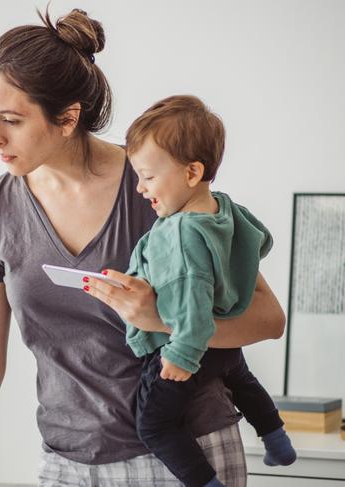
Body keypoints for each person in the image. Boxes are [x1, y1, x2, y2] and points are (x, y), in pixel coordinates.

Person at [0, 8, 285, 487]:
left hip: (183, 456)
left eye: (11, 120)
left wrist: (160, 319)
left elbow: (268, 319)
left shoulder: (156, 186)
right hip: (65, 463)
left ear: (68, 117)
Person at [103, 94, 296, 487]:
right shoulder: (224, 208)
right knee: (242, 380)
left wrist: (181, 354)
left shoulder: (177, 233)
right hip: (225, 343)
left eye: (148, 176)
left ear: (192, 172)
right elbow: (261, 242)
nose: (140, 188)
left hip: (187, 349)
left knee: (154, 426)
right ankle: (278, 442)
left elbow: (190, 298)